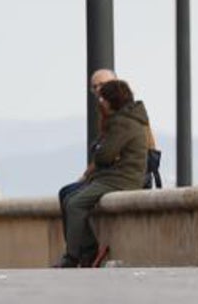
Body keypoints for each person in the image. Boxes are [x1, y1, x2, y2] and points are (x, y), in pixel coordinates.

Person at [56, 79, 149, 268]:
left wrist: (100, 151)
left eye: (102, 99)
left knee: (74, 204)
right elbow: (103, 152)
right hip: (113, 177)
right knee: (68, 197)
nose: (100, 103)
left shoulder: (124, 123)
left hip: (121, 179)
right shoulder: (123, 120)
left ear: (111, 101)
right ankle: (86, 249)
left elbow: (104, 155)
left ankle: (75, 255)